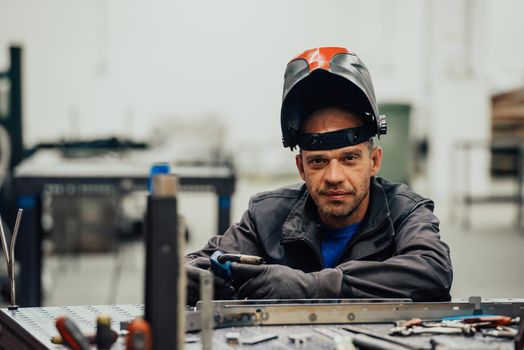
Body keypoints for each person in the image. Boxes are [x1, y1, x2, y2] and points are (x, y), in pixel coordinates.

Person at [185, 47, 453, 305]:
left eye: (349, 158)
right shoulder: (267, 215)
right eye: (318, 161)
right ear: (301, 168)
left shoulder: (404, 211)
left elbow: (432, 272)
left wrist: (314, 286)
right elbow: (200, 263)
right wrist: (194, 278)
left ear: (374, 161)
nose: (334, 176)